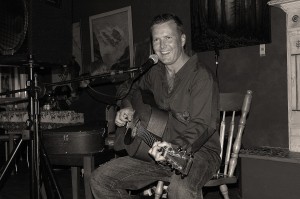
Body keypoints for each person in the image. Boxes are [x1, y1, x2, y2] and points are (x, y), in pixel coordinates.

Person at [90, 13, 221, 199]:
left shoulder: (201, 77)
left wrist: (173, 149)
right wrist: (126, 107)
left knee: (180, 189)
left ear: (182, 40)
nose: (162, 46)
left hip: (198, 153)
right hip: (154, 150)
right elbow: (130, 89)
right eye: (157, 40)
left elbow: (203, 124)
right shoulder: (155, 73)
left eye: (168, 38)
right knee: (100, 179)